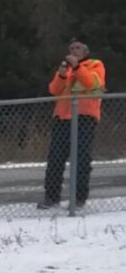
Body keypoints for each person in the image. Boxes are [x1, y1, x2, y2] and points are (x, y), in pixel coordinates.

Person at [39, 39, 107, 209]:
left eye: (77, 48)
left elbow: (92, 83)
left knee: (81, 159)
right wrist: (61, 75)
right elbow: (54, 90)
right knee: (55, 158)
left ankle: (79, 198)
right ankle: (52, 197)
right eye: (71, 48)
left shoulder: (95, 65)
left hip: (84, 117)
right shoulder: (66, 69)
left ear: (85, 51)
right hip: (63, 118)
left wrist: (77, 67)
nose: (74, 50)